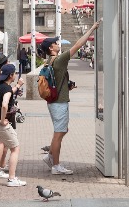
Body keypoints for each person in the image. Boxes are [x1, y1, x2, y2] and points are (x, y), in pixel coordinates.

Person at [41, 20, 101, 175]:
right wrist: (92, 28)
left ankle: (50, 157)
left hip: (56, 101)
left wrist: (67, 86)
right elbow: (78, 45)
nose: (57, 43)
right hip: (59, 103)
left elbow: (57, 80)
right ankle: (56, 165)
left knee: (62, 130)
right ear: (51, 48)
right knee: (58, 134)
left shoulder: (51, 61)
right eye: (55, 42)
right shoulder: (59, 60)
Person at [0, 64, 26, 187]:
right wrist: (2, 120)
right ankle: (12, 179)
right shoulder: (6, 89)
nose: (15, 75)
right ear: (11, 75)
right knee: (15, 148)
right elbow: (4, 104)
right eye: (14, 74)